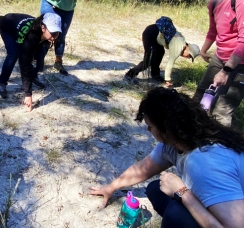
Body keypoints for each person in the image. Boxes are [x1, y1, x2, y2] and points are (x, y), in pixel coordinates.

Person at [89, 87, 244, 228]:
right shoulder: (178, 142)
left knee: (175, 214)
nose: (148, 129)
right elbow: (143, 168)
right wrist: (111, 187)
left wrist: (182, 192)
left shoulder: (203, 164)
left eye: (150, 126)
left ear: (167, 128)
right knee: (156, 189)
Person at [192, 0, 244, 127]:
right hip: (220, 56)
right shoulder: (215, 0)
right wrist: (204, 50)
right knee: (200, 96)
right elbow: (214, 30)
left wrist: (226, 70)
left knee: (221, 110)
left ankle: (219, 148)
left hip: (239, 63)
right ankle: (189, 138)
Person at [0, 13, 62, 111]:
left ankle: (34, 76)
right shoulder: (32, 36)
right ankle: (1, 83)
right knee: (14, 54)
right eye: (52, 33)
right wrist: (28, 94)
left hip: (22, 27)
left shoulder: (45, 33)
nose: (54, 36)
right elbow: (24, 64)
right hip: (7, 26)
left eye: (57, 33)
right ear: (43, 27)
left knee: (41, 53)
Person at [124, 16, 200, 87]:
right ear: (188, 49)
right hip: (150, 34)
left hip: (156, 35)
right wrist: (168, 80)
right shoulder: (178, 47)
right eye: (189, 55)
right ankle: (129, 75)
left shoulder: (182, 40)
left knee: (160, 53)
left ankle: (155, 75)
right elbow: (170, 64)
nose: (187, 57)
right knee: (149, 60)